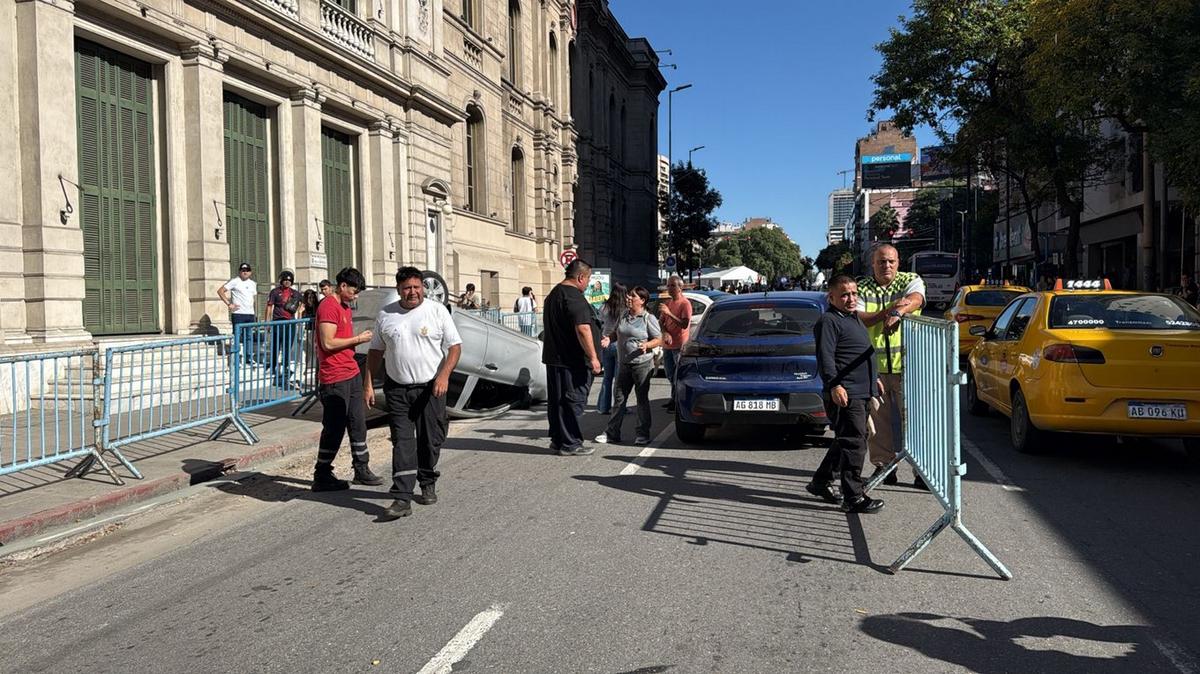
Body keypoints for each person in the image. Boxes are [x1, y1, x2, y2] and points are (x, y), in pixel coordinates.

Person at [366, 267, 463, 521]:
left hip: (431, 388)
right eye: (407, 288)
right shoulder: (386, 315)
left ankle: (427, 478)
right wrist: (367, 383)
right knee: (402, 442)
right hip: (397, 388)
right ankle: (402, 497)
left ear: (423, 288)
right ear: (399, 289)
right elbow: (375, 352)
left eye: (417, 287)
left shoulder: (436, 310)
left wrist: (443, 376)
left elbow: (454, 348)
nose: (413, 292)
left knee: (431, 440)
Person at [807, 275, 885, 514]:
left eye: (853, 293)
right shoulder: (828, 321)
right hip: (846, 393)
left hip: (861, 390)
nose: (851, 299)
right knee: (854, 444)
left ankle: (820, 482)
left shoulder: (852, 317)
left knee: (847, 440)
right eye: (844, 294)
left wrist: (875, 379)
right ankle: (853, 496)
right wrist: (835, 385)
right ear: (831, 297)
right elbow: (826, 358)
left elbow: (860, 352)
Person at [856, 243, 926, 490]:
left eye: (891, 261)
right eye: (881, 261)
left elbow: (916, 299)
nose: (886, 265)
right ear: (872, 264)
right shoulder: (862, 286)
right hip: (875, 368)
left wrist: (899, 312)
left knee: (915, 421)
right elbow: (861, 318)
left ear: (899, 262)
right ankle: (884, 467)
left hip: (908, 364)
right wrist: (891, 310)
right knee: (878, 424)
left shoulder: (910, 279)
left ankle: (921, 471)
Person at [311, 267, 384, 491]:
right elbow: (328, 342)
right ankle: (322, 474)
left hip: (350, 372)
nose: (356, 296)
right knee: (334, 427)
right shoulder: (328, 306)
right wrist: (358, 339)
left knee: (357, 421)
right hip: (334, 376)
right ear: (342, 286)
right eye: (354, 291)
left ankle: (361, 468)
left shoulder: (344, 306)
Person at [542, 258, 602, 456]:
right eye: (588, 279)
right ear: (581, 277)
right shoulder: (574, 297)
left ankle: (558, 440)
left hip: (555, 358)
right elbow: (583, 328)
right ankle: (571, 443)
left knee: (558, 401)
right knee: (573, 400)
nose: (588, 284)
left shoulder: (553, 295)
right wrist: (593, 357)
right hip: (572, 360)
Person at [595, 286, 662, 445]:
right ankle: (612, 433)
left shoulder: (648, 318)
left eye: (633, 296)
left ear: (642, 300)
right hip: (624, 363)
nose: (628, 298)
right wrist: (608, 339)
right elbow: (616, 333)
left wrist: (647, 345)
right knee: (619, 399)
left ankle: (642, 434)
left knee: (641, 400)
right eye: (629, 296)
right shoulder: (624, 315)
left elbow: (659, 338)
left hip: (642, 365)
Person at [658, 275, 693, 412]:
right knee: (669, 374)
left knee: (678, 375)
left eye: (673, 286)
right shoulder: (668, 303)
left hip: (679, 345)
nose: (670, 288)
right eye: (668, 285)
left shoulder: (685, 304)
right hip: (667, 345)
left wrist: (670, 314)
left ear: (680, 288)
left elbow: (684, 324)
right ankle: (674, 398)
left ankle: (676, 401)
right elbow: (661, 322)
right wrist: (665, 332)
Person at [595, 283, 629, 415]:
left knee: (607, 378)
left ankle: (604, 407)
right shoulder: (625, 310)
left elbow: (599, 324)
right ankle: (619, 407)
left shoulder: (604, 307)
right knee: (619, 378)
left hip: (605, 343)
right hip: (619, 343)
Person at [217, 262, 259, 365]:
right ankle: (236, 358)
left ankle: (248, 357)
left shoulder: (253, 283)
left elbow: (254, 298)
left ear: (250, 272)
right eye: (243, 270)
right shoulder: (235, 281)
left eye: (247, 270)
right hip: (239, 313)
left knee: (249, 336)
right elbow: (220, 291)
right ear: (240, 271)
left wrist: (256, 313)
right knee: (237, 336)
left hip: (250, 313)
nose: (245, 272)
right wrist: (229, 304)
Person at [265, 270, 301, 387]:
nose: (287, 282)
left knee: (287, 346)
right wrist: (267, 323)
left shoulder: (295, 293)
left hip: (290, 323)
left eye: (289, 280)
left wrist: (300, 315)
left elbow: (303, 304)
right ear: (281, 280)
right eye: (285, 280)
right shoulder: (275, 292)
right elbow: (269, 307)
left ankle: (285, 367)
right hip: (277, 322)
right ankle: (273, 365)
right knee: (276, 345)